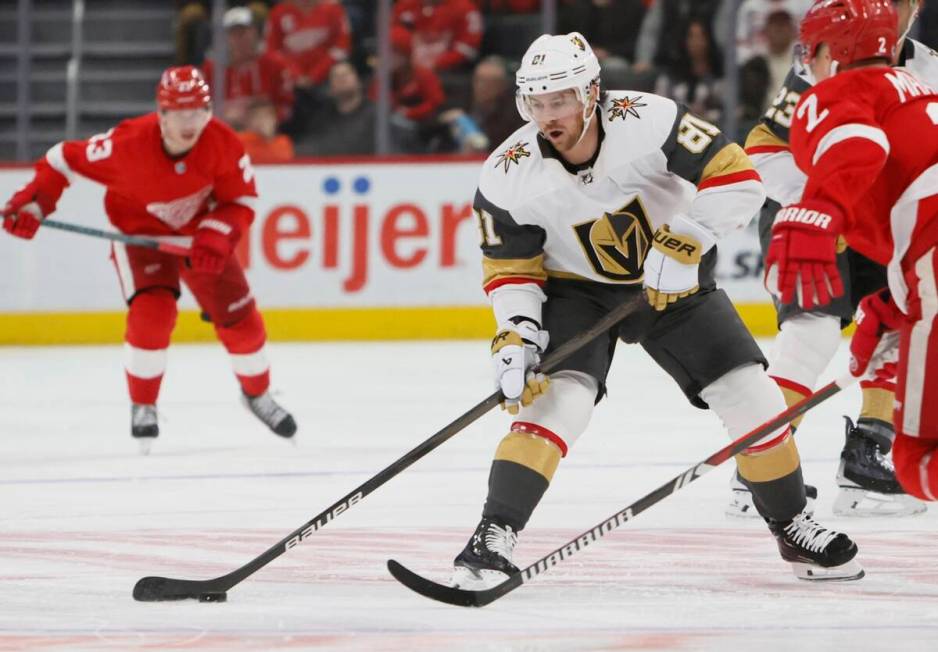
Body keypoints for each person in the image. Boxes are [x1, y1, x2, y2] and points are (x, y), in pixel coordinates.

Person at [444, 32, 863, 589]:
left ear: (592, 92)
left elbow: (738, 177)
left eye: (561, 99)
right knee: (557, 403)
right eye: (537, 102)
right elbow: (512, 269)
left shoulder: (651, 119)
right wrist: (516, 334)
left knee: (754, 398)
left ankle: (791, 526)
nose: (548, 116)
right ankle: (493, 534)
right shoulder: (506, 173)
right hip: (576, 293)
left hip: (675, 284)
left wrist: (687, 236)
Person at [1, 66, 297, 453]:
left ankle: (256, 395)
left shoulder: (223, 142)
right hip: (139, 236)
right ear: (162, 114)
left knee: (242, 320)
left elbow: (240, 201)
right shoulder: (126, 144)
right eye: (180, 113)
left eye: (198, 112)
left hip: (200, 238)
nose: (191, 123)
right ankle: (144, 404)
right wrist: (35, 204)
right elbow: (63, 159)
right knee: (152, 314)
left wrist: (215, 235)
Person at [738, 0, 933, 517]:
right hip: (808, 212)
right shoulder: (824, 68)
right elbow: (761, 149)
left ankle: (868, 452)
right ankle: (761, 464)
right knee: (813, 334)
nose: (896, 12)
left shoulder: (929, 66)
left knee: (895, 328)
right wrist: (827, 204)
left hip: (886, 225)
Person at [201, 7, 295, 131]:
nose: (239, 39)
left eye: (244, 32)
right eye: (233, 33)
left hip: (265, 133)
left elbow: (287, 105)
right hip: (225, 129)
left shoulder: (274, 63)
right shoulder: (212, 68)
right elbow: (203, 108)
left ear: (255, 32)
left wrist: (270, 116)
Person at [265, 0, 352, 88]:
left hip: (328, 78)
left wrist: (316, 75)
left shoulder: (332, 8)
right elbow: (272, 51)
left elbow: (342, 46)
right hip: (291, 80)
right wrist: (295, 75)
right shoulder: (278, 13)